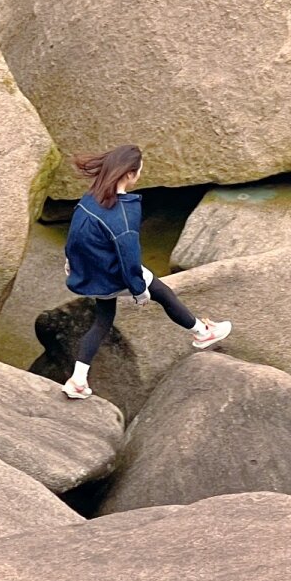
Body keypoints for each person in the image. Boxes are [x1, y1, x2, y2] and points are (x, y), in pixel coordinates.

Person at [59, 144, 231, 400]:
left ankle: (78, 380)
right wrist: (139, 291)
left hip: (93, 273)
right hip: (112, 274)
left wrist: (72, 261)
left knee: (102, 321)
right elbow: (130, 260)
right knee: (163, 293)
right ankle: (202, 332)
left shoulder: (90, 198)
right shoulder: (124, 214)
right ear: (130, 174)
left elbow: (76, 234)